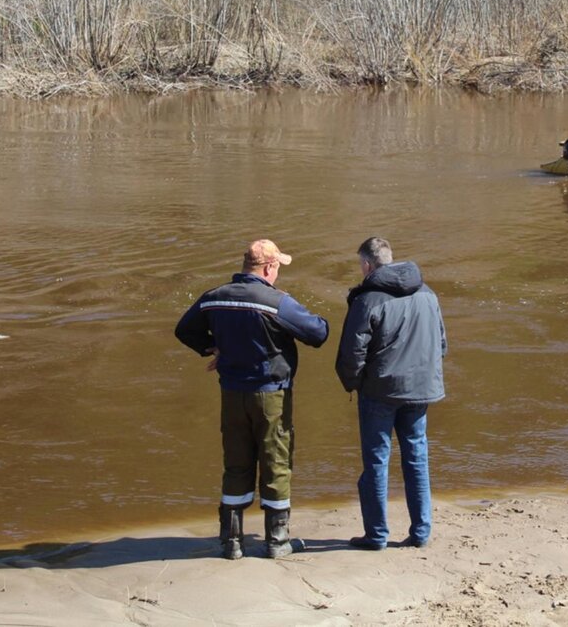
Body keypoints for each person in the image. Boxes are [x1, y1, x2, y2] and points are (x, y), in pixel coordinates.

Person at [175, 239, 329, 560]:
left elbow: (184, 330)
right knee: (276, 462)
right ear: (269, 268)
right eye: (278, 268)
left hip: (232, 393)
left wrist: (213, 348)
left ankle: (231, 542)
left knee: (236, 463)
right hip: (271, 394)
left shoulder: (214, 298)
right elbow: (317, 333)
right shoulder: (276, 302)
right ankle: (276, 540)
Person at [336, 237, 447, 550]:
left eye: (361, 265)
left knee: (376, 460)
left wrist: (353, 383)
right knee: (416, 458)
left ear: (368, 265)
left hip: (380, 391)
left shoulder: (367, 299)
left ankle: (376, 534)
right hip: (421, 389)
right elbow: (441, 343)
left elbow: (351, 353)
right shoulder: (427, 293)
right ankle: (421, 532)